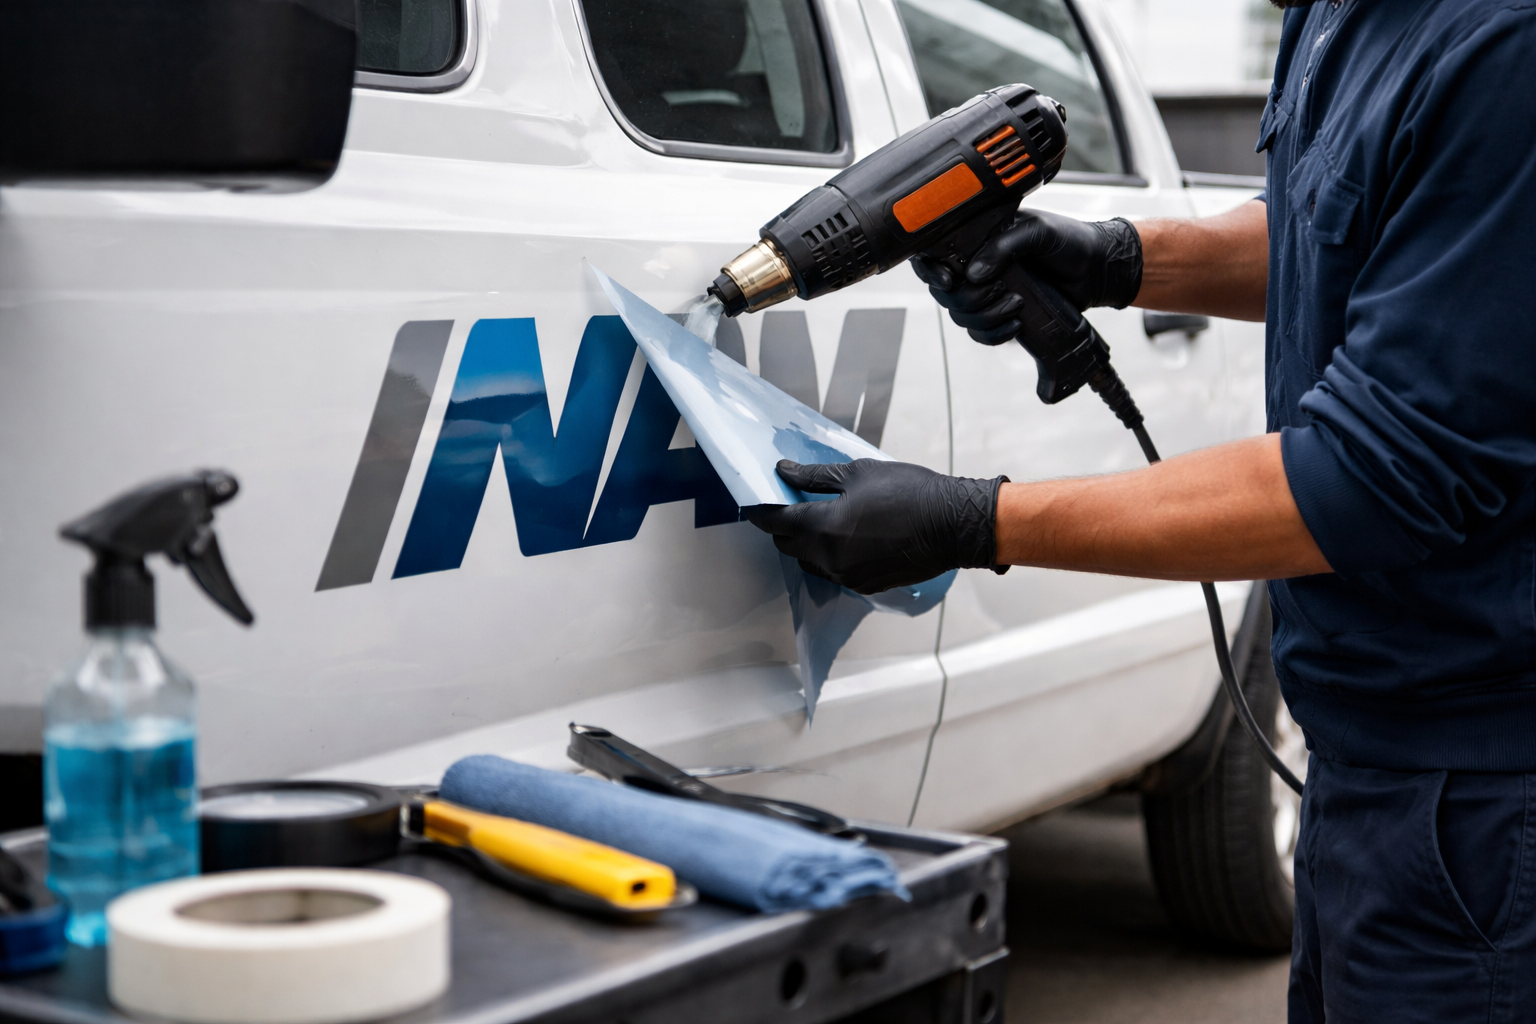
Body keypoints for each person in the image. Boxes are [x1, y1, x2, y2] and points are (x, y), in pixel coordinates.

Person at [747, 1, 1536, 1020]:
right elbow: (1340, 227)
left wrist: (977, 521)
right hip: (1364, 763)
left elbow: (1376, 477)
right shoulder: (1338, 17)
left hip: (1484, 794)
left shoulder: (1503, 44)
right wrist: (1117, 258)